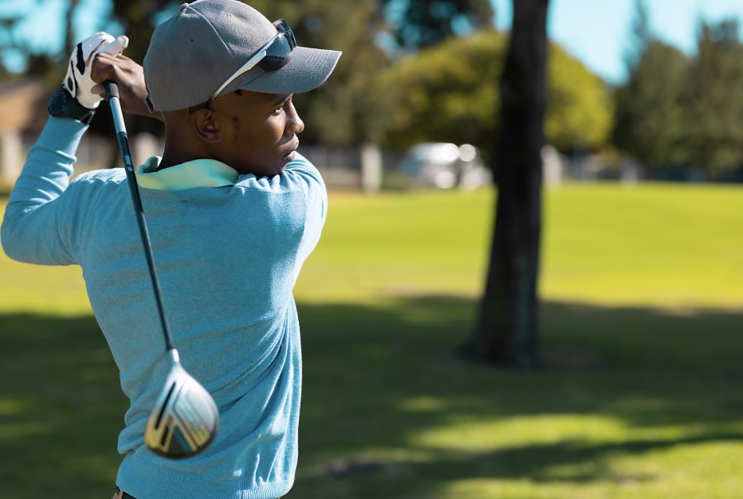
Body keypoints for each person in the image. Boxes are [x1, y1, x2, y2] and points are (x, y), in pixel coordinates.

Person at [0, 1, 341, 498]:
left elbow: (19, 228)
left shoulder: (97, 204)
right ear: (209, 125)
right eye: (277, 107)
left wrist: (74, 106)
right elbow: (295, 164)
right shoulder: (278, 212)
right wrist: (155, 100)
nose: (297, 123)